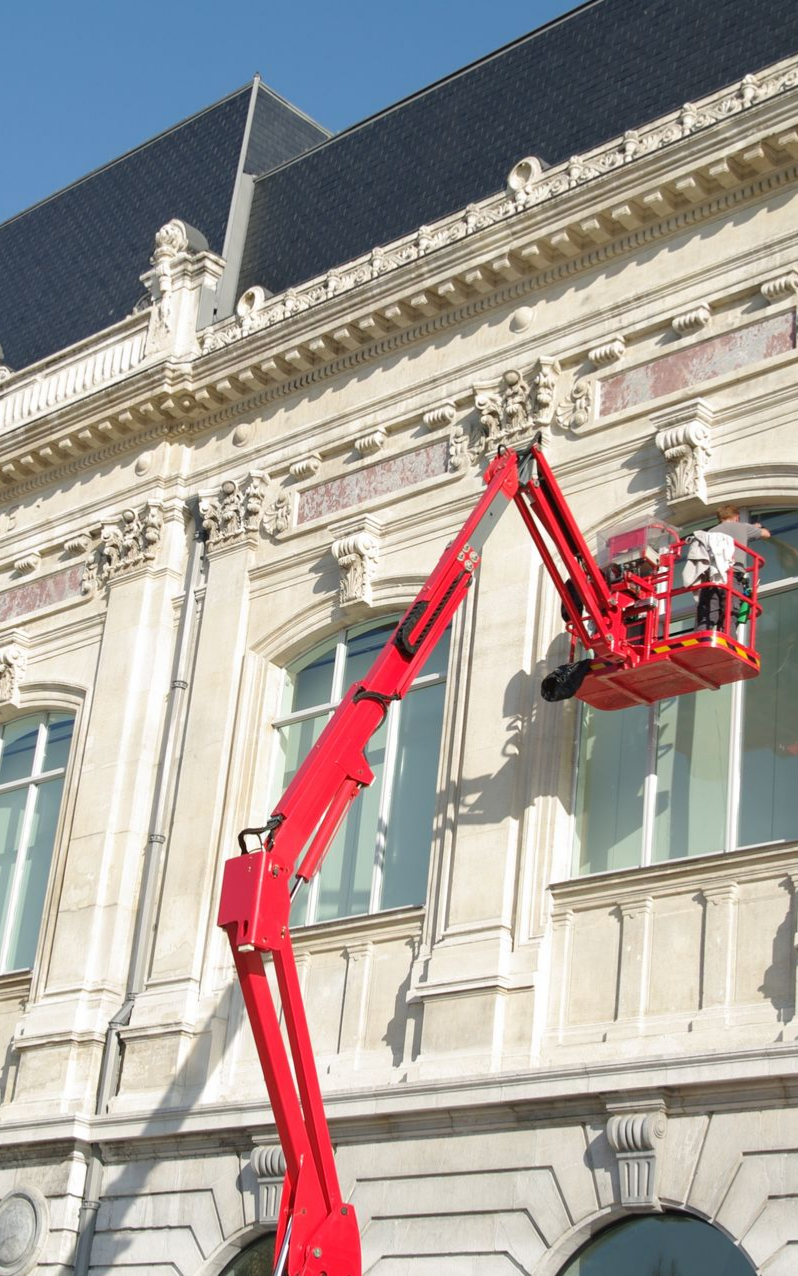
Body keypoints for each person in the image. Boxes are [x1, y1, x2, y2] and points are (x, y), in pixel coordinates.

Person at [695, 504, 770, 629]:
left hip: (712, 577)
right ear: (736, 517)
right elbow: (766, 534)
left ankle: (702, 637)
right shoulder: (743, 527)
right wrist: (756, 527)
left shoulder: (710, 532)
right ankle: (728, 638)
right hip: (732, 576)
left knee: (707, 615)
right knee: (730, 614)